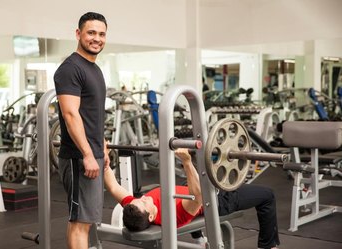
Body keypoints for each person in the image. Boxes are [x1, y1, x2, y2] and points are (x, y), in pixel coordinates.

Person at [104, 149, 280, 249]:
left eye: (139, 199)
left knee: (184, 182)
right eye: (143, 202)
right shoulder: (174, 214)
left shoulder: (134, 208)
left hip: (193, 193)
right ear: (151, 217)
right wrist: (187, 162)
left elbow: (113, 186)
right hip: (217, 201)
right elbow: (199, 197)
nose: (142, 197)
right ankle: (268, 246)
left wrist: (103, 158)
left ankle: (200, 240)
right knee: (267, 195)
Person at [54, 12, 110, 249]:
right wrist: (87, 155)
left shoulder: (94, 69)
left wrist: (103, 147)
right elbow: (70, 115)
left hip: (92, 153)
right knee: (80, 221)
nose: (97, 38)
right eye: (91, 33)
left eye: (101, 34)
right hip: (78, 157)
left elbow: (92, 115)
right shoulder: (70, 68)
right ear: (78, 34)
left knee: (85, 220)